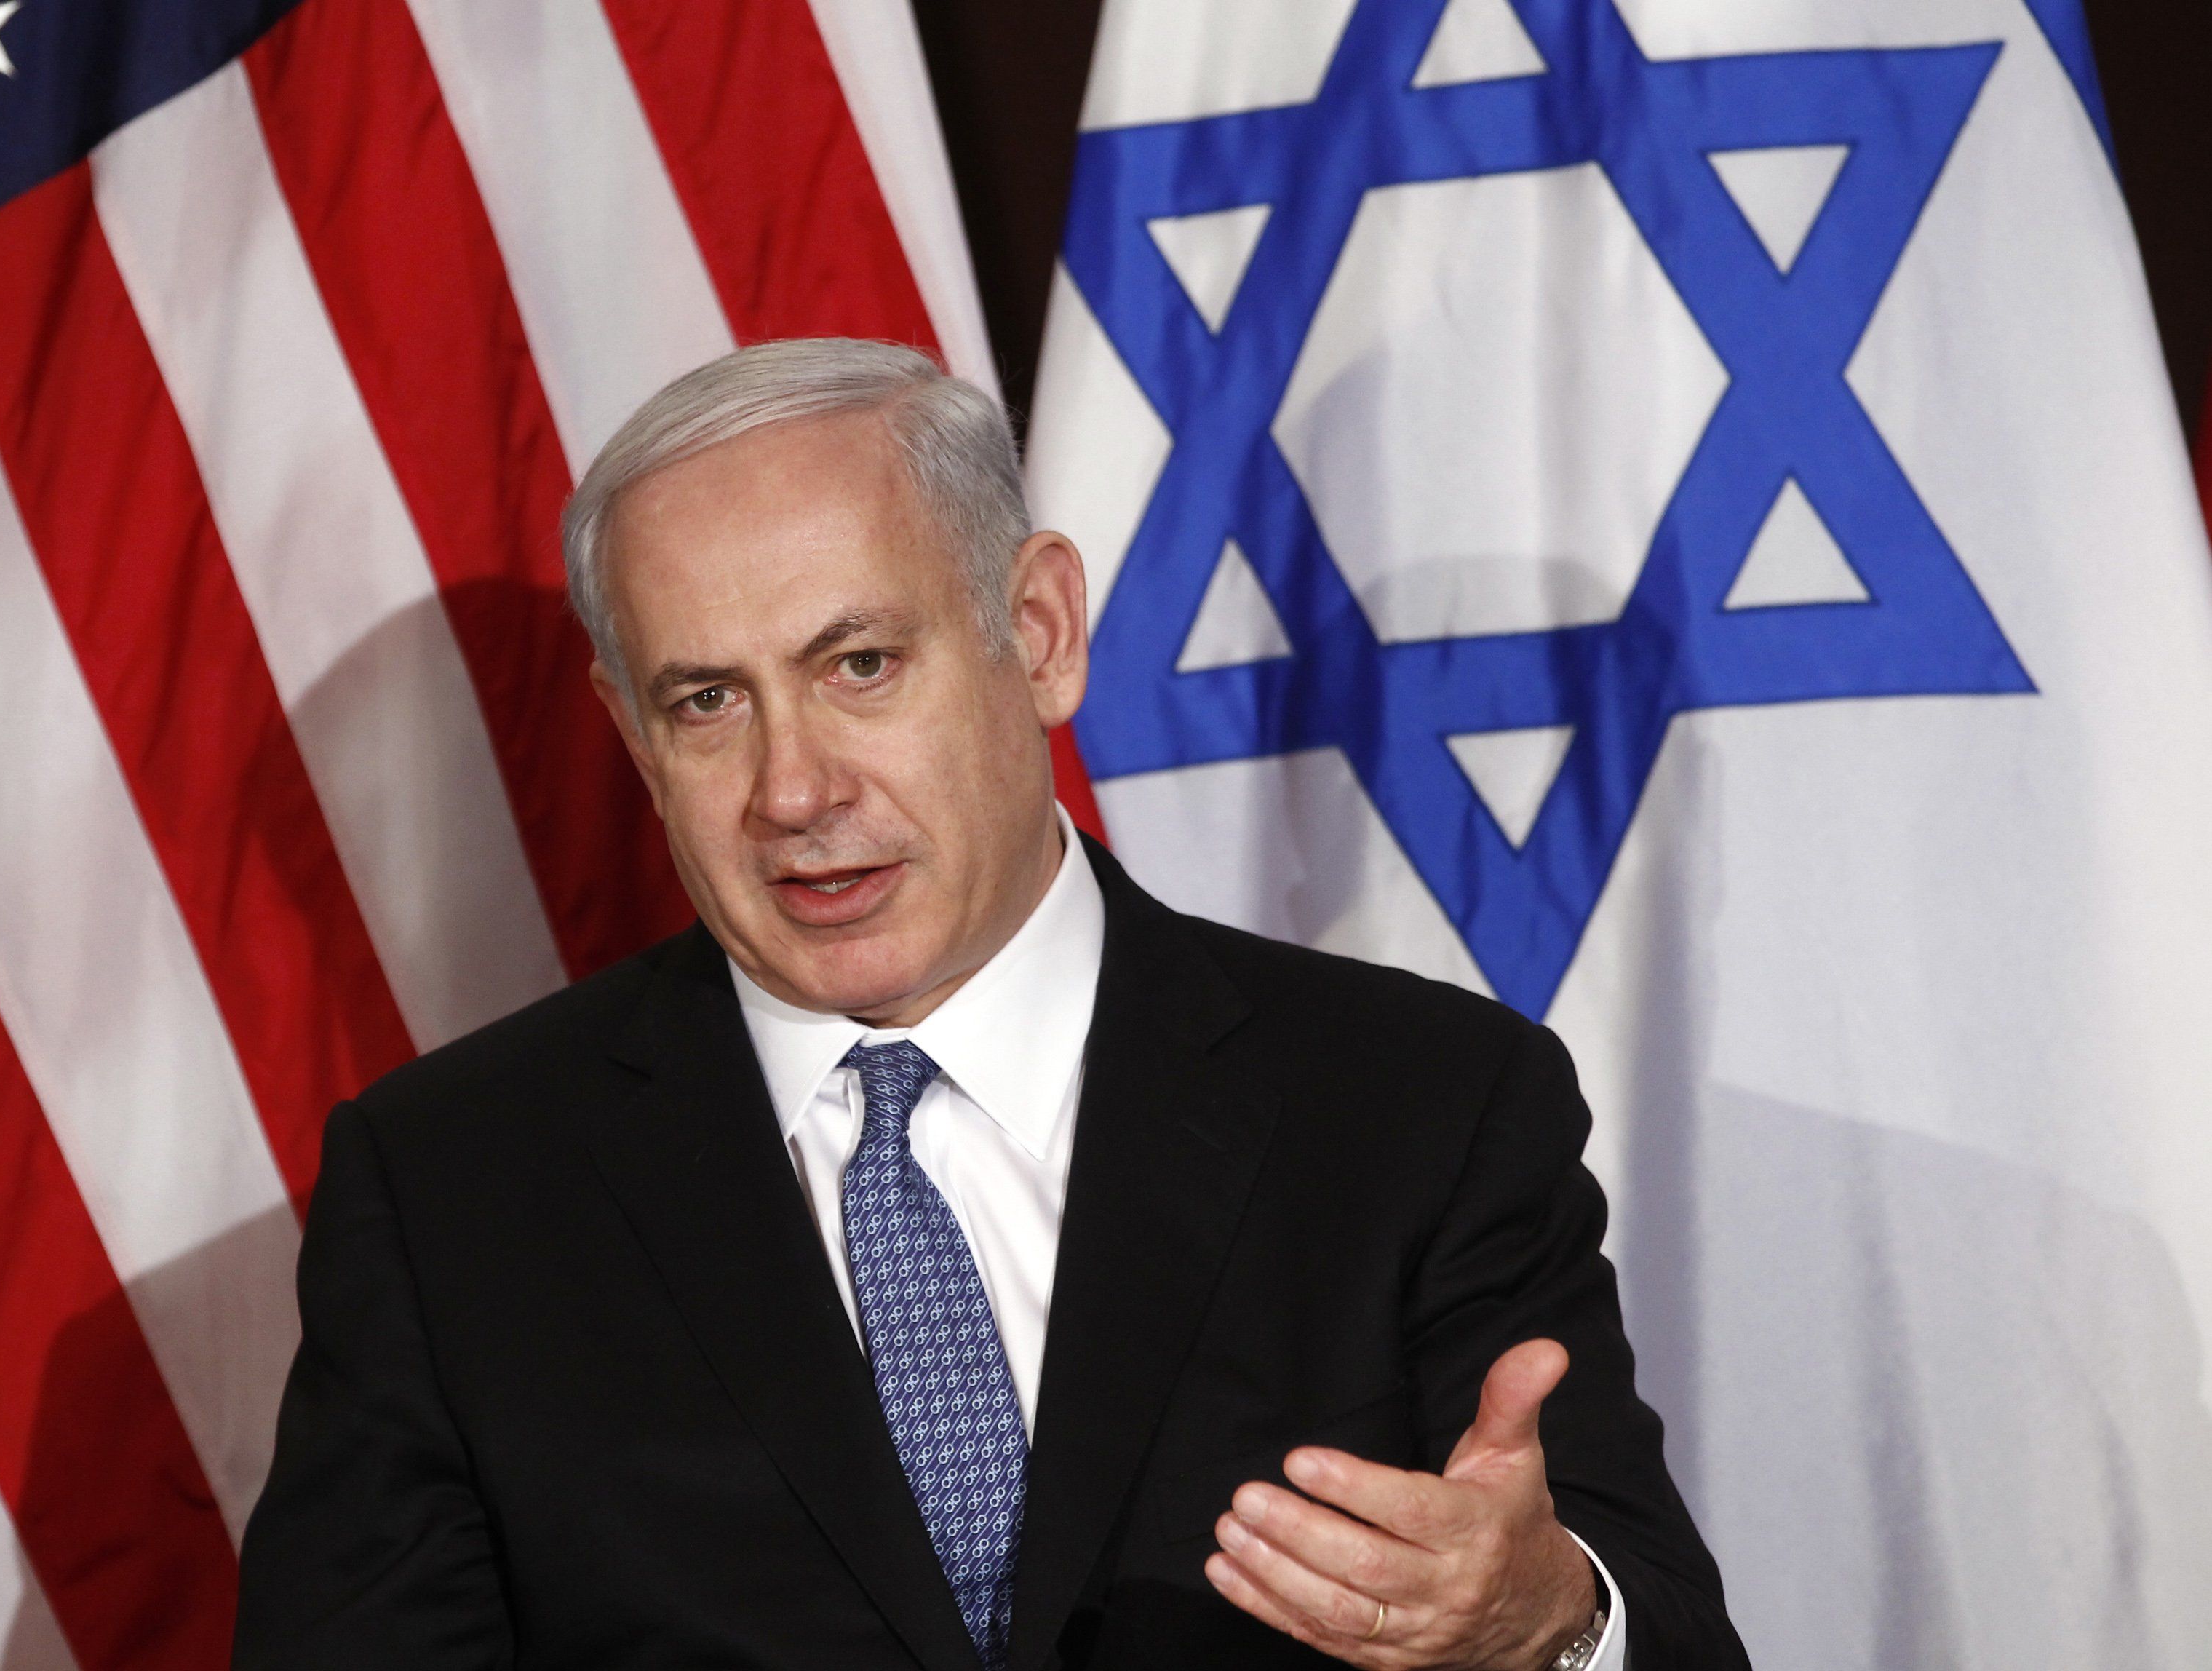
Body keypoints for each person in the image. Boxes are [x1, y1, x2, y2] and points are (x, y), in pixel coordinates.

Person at [233, 341, 1748, 1671]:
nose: (793, 789)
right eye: (708, 701)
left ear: (1037, 632)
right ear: (631, 734)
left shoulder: (1418, 1105)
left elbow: (1660, 1636)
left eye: (860, 663)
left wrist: (1542, 1622)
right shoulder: (454, 1191)